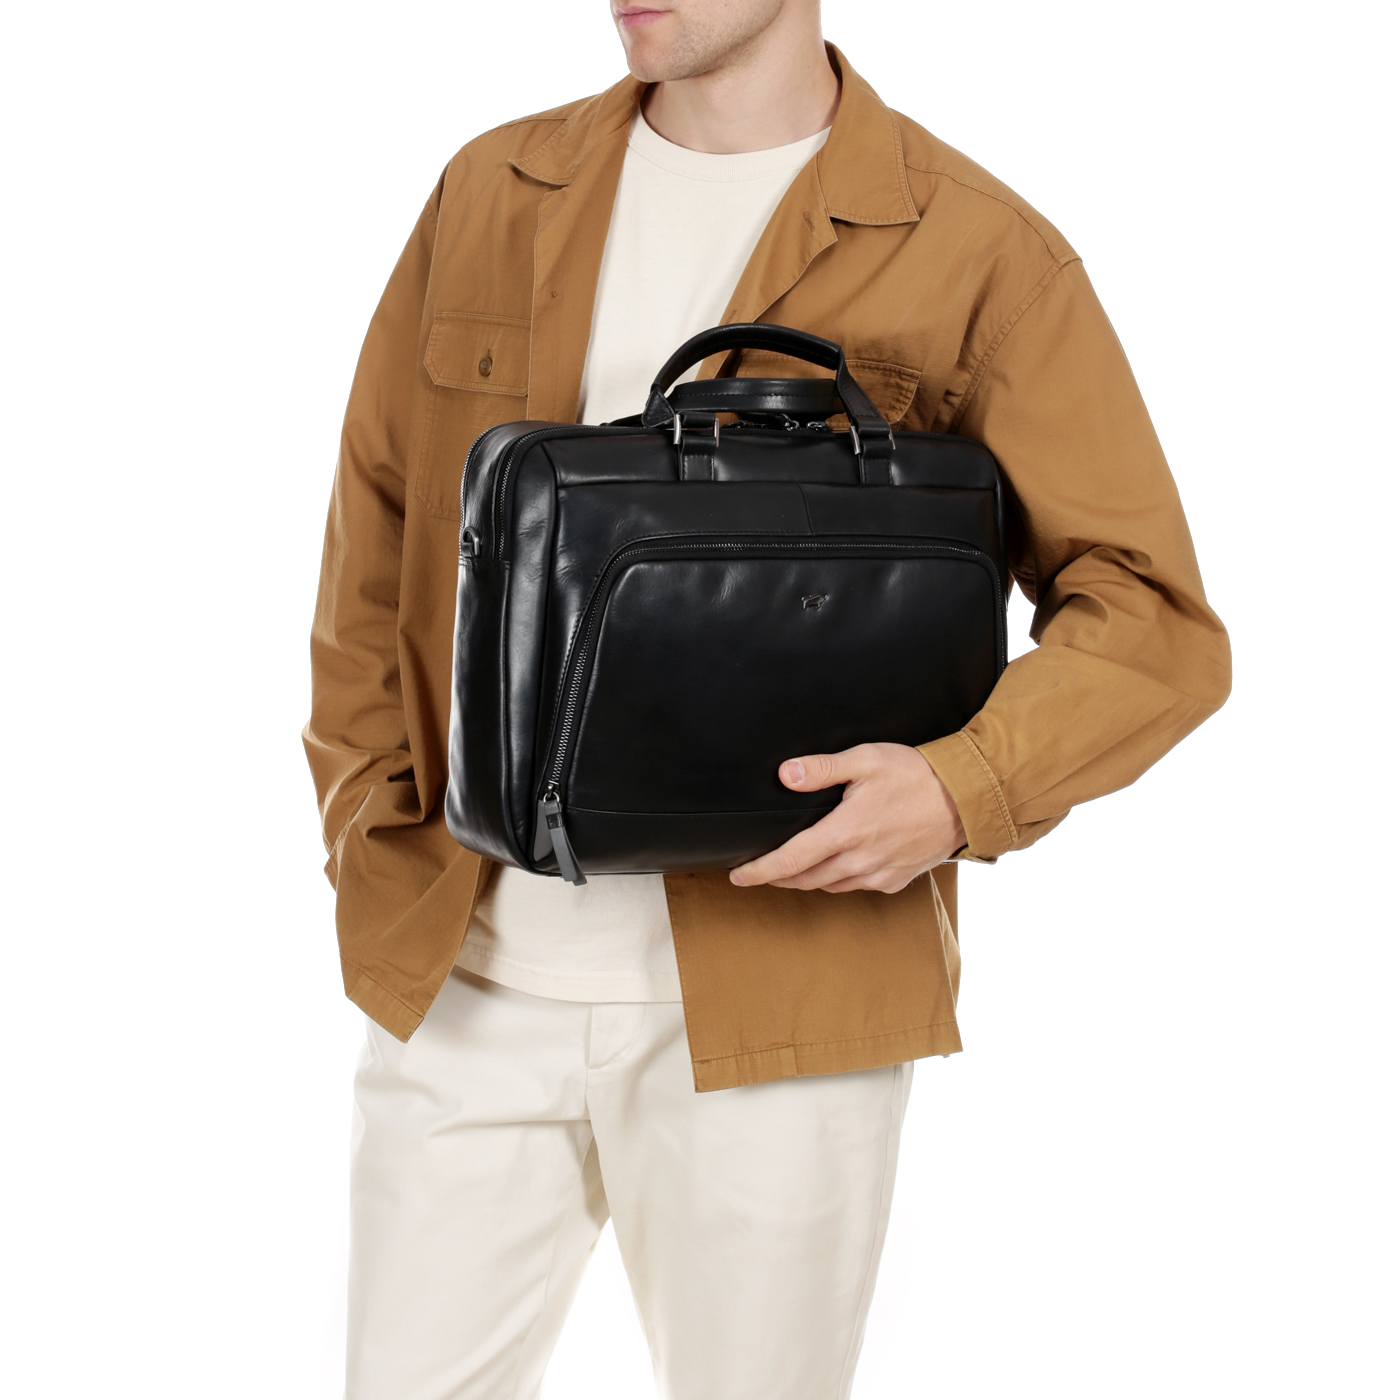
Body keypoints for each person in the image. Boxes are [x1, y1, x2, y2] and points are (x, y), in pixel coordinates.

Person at [304, 2, 1230, 1395]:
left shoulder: (978, 248)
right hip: (465, 976)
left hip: (785, 1003)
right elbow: (377, 539)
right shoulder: (493, 190)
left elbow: (1153, 617)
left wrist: (959, 789)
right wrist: (367, 833)